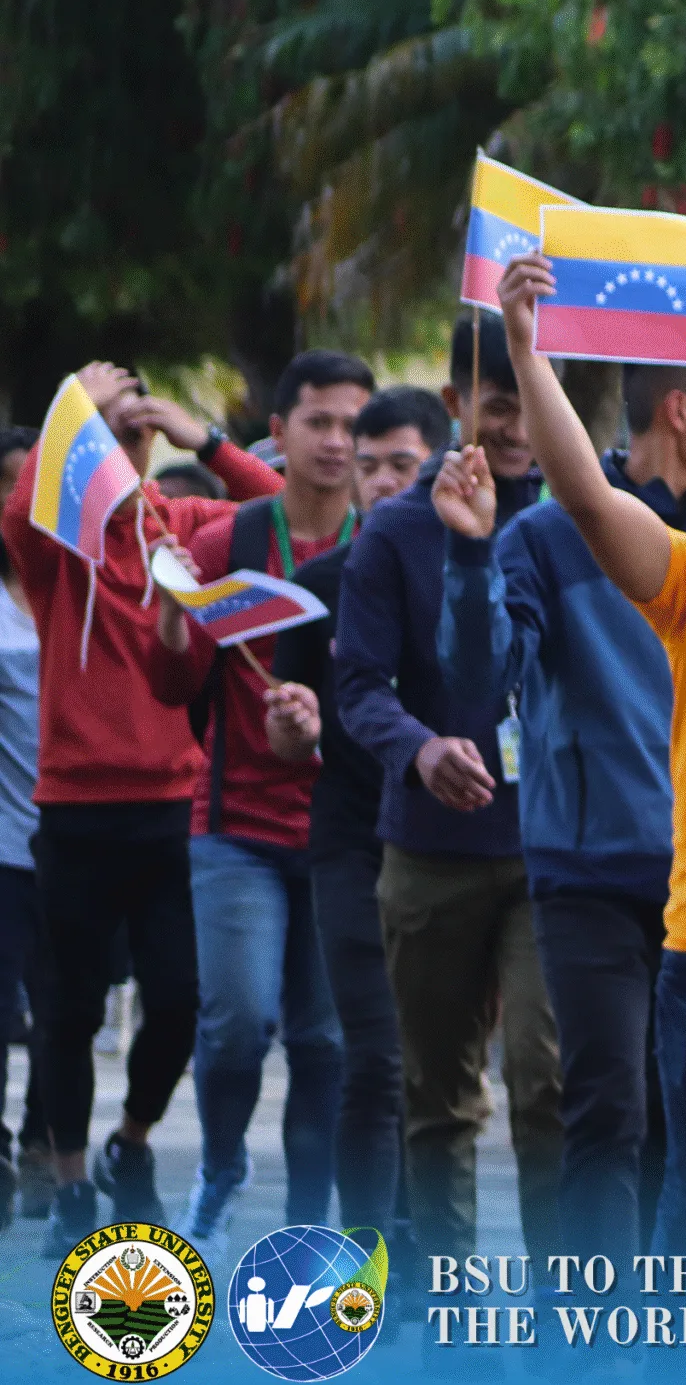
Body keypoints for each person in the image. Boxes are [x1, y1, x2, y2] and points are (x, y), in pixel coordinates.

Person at [432, 336, 686, 1273]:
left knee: (685, 1127)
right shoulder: (547, 532)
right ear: (682, 411)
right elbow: (479, 678)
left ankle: (660, 1330)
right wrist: (471, 550)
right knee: (606, 1108)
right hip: (590, 872)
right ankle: (594, 1342)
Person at [1, 363, 283, 1253]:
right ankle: (74, 1179)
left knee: (180, 997)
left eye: (132, 437)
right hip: (76, 807)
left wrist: (204, 440)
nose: (119, 456)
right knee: (69, 1006)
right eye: (103, 442)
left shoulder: (184, 527)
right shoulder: (55, 540)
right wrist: (69, 407)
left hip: (173, 807)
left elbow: (282, 508)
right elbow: (17, 512)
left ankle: (131, 1144)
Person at [335, 314, 562, 1272]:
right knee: (437, 1098)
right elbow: (358, 685)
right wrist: (420, 749)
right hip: (427, 850)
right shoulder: (394, 531)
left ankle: (570, 1309)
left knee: (550, 1083)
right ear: (459, 404)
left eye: (533, 401)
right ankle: (447, 1302)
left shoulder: (578, 518)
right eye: (499, 402)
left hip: (553, 850)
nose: (514, 426)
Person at [144, 350, 375, 1256]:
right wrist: (171, 615)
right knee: (237, 1020)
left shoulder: (384, 546)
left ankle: (307, 1223)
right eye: (317, 421)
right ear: (277, 435)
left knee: (323, 1040)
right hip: (234, 824)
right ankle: (221, 1165)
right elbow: (172, 685)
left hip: (344, 832)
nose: (336, 440)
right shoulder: (229, 543)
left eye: (354, 424)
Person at [271, 384, 446, 1282]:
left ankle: (428, 1257)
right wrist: (294, 726)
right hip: (348, 840)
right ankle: (367, 1263)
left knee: (434, 1070)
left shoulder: (483, 567)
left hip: (452, 849)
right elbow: (283, 728)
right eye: (367, 466)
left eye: (400, 465)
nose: (379, 481)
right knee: (372, 1056)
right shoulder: (316, 589)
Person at [0, 424, 40, 1229]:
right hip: (3, 845)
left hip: (87, 832)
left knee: (66, 1011)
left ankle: (49, 1141)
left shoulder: (96, 582)